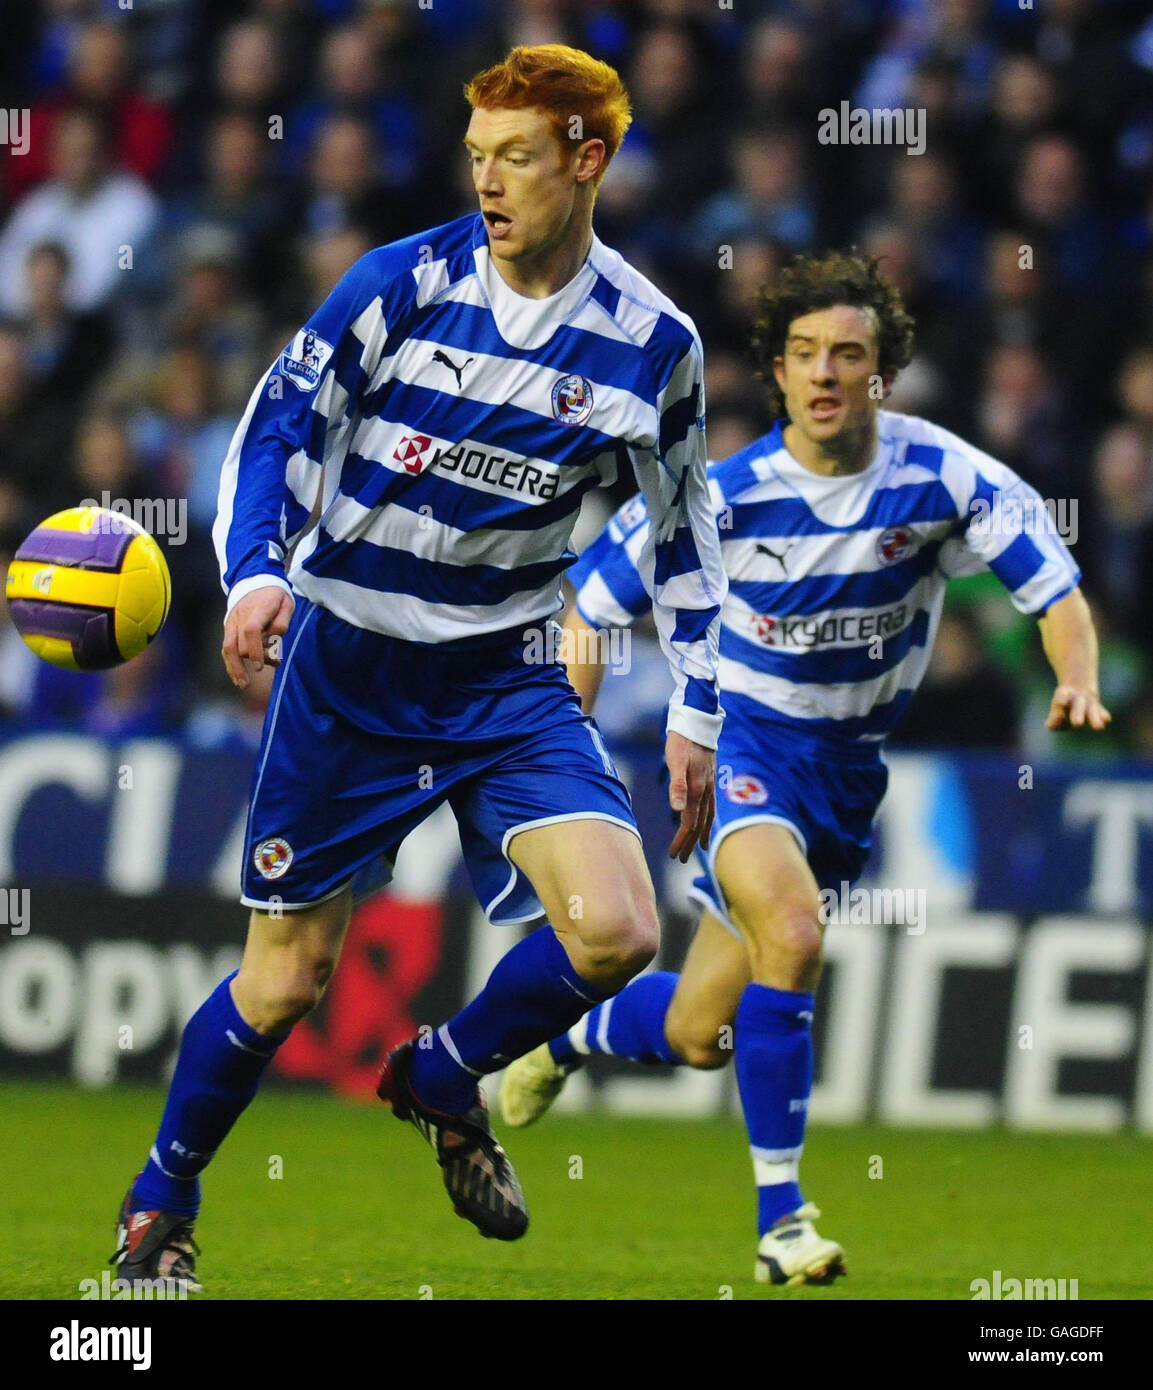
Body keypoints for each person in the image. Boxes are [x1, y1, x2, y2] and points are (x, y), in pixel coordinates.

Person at [110, 43, 725, 1294]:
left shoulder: (652, 345)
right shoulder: (403, 281)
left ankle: (440, 1075)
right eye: (476, 156)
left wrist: (700, 709)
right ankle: (159, 1207)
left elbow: (683, 536)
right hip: (350, 663)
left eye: (516, 156)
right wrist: (261, 568)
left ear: (587, 160)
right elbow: (279, 423)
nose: (488, 183)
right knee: (286, 982)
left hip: (503, 673)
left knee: (616, 932)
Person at [500, 250, 1110, 1286]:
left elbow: (1050, 590)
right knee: (794, 930)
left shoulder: (941, 477)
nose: (827, 374)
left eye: (850, 356)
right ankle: (782, 1221)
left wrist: (1078, 679)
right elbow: (592, 610)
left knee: (700, 1033)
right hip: (744, 751)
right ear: (775, 373)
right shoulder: (719, 499)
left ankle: (567, 1037)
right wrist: (566, 763)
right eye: (804, 355)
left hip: (847, 778)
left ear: (884, 373)